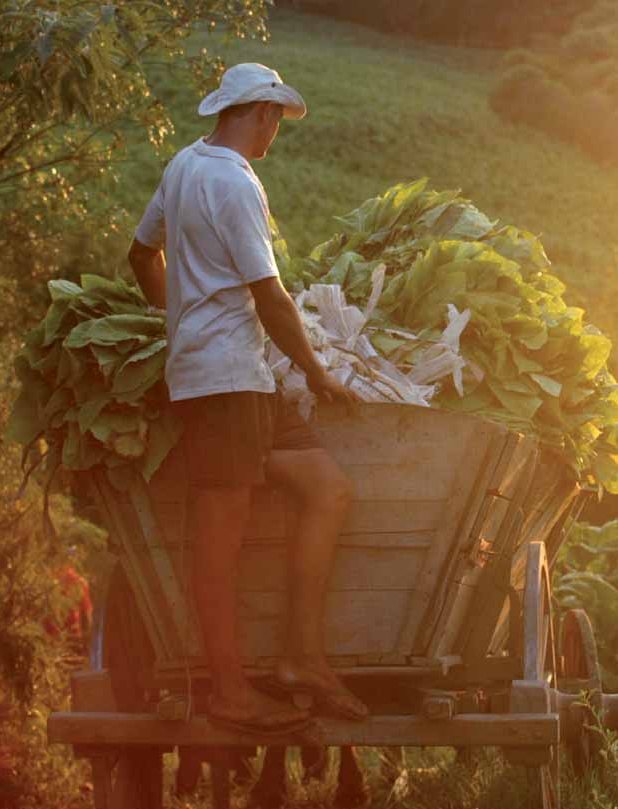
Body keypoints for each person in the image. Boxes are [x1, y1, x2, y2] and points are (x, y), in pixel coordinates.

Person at [128, 63, 368, 735]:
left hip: (242, 381)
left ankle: (300, 656)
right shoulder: (235, 184)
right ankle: (231, 692)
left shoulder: (183, 166)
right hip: (223, 385)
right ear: (260, 113)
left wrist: (177, 317)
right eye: (276, 123)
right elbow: (270, 295)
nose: (275, 135)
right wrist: (318, 374)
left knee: (329, 487)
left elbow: (140, 255)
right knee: (219, 541)